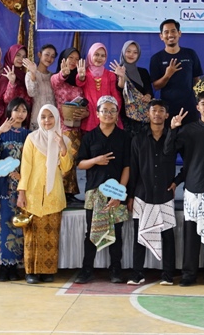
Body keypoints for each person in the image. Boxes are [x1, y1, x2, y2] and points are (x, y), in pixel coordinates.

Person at [164, 91, 204, 287]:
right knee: (191, 235)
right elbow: (168, 151)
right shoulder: (188, 130)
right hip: (193, 188)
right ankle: (189, 275)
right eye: (203, 104)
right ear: (198, 107)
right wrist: (173, 129)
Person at [74, 96, 132, 285]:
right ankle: (86, 270)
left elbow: (127, 166)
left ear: (117, 114)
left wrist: (120, 193)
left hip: (117, 192)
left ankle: (116, 270)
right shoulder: (89, 137)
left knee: (117, 231)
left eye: (112, 111)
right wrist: (95, 161)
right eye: (104, 110)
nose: (108, 114)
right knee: (91, 231)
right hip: (94, 193)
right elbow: (80, 164)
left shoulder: (125, 137)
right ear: (97, 114)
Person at [127, 100, 183, 286]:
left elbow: (172, 154)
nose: (157, 113)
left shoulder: (173, 136)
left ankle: (167, 275)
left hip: (165, 194)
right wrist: (130, 196)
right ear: (148, 114)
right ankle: (137, 273)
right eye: (154, 110)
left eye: (161, 110)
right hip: (142, 194)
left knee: (168, 236)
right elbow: (133, 168)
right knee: (140, 235)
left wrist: (176, 181)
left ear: (167, 115)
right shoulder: (138, 139)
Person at [17, 105, 74, 284]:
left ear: (56, 118)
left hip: (53, 196)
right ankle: (31, 272)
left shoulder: (64, 139)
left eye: (50, 116)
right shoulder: (32, 139)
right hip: (32, 194)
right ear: (38, 119)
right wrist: (21, 193)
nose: (47, 120)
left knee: (50, 235)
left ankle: (47, 271)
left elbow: (66, 168)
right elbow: (25, 167)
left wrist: (62, 147)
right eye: (43, 117)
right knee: (31, 235)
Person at [0, 98, 30, 282]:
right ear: (9, 112)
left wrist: (22, 175)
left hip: (22, 187)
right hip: (4, 187)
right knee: (3, 226)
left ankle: (15, 266)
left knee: (19, 225)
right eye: (17, 110)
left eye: (24, 110)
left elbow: (33, 161)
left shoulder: (29, 135)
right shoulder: (1, 133)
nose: (20, 114)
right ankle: (3, 266)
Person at [51, 47, 89, 202]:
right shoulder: (57, 80)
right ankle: (63, 192)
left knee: (72, 160)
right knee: (66, 156)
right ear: (63, 59)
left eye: (76, 59)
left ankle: (70, 192)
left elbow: (88, 102)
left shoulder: (81, 82)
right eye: (70, 58)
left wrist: (86, 113)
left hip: (78, 127)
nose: (73, 61)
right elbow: (55, 80)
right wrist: (63, 74)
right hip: (63, 127)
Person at [150, 19, 203, 125]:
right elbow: (156, 86)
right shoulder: (156, 58)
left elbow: (196, 79)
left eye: (173, 31)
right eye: (166, 32)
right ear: (161, 36)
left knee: (191, 134)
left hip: (189, 107)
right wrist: (167, 75)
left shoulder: (190, 54)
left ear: (179, 33)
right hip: (168, 109)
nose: (170, 35)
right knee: (169, 135)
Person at [77, 43, 123, 132]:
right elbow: (79, 83)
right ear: (90, 55)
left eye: (103, 56)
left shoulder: (110, 75)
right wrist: (81, 77)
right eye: (96, 54)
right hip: (89, 115)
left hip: (107, 114)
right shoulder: (84, 73)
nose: (99, 58)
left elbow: (116, 96)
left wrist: (115, 112)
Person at [117, 40, 154, 138]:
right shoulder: (117, 71)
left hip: (142, 118)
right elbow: (119, 90)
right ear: (123, 52)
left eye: (135, 52)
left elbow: (149, 89)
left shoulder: (143, 72)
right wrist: (121, 76)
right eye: (128, 51)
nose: (131, 55)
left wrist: (148, 95)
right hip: (124, 117)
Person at [24, 44, 58, 131]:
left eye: (52, 56)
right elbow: (31, 93)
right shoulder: (29, 74)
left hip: (52, 116)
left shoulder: (53, 76)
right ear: (39, 54)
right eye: (47, 54)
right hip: (38, 116)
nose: (49, 58)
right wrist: (33, 73)